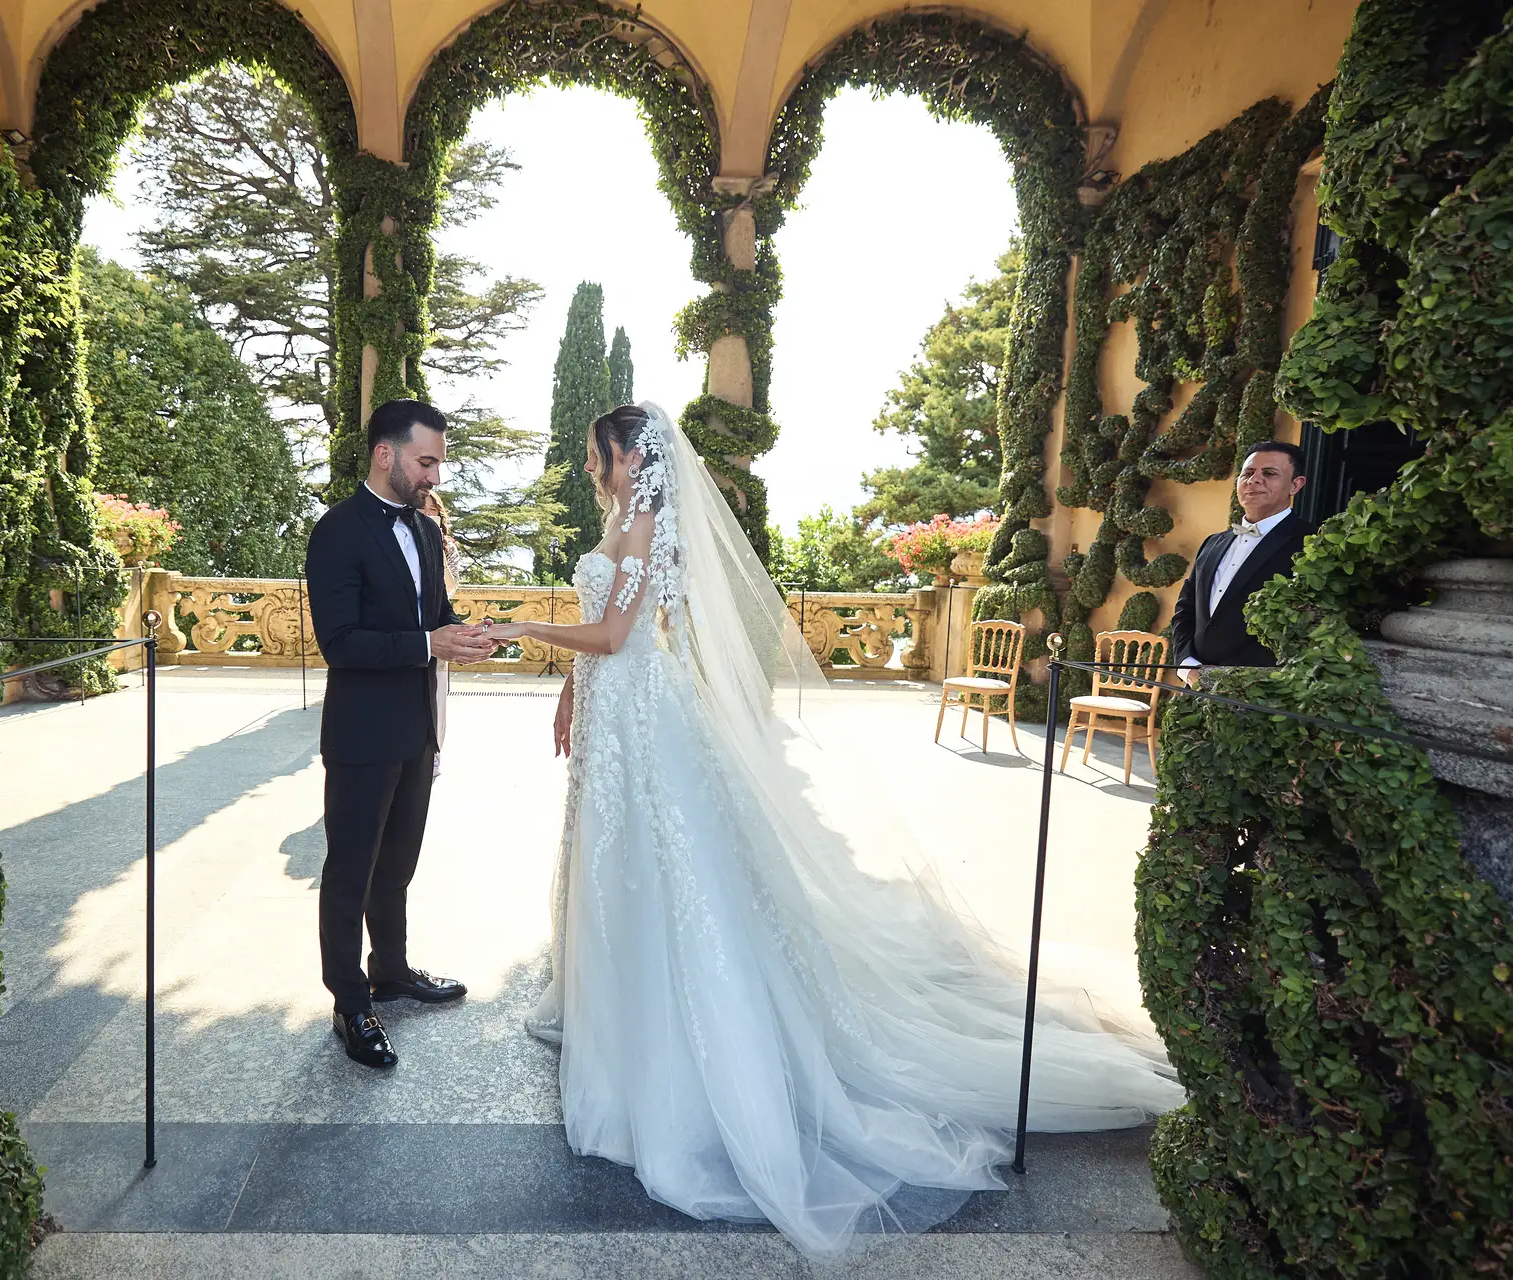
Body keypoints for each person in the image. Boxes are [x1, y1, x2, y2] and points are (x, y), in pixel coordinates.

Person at [482, 403, 1183, 1257]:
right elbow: (617, 638)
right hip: (614, 709)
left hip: (640, 718)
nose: (593, 465)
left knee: (661, 868)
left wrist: (521, 627)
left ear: (629, 456)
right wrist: (571, 690)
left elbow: (616, 632)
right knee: (619, 867)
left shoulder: (645, 524)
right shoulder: (625, 521)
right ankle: (618, 1015)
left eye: (600, 453)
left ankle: (670, 1050)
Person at [304, 399, 496, 1069]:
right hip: (361, 735)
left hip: (418, 730)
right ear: (385, 454)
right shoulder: (336, 531)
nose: (434, 476)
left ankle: (391, 970)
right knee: (349, 872)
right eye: (425, 461)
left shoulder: (423, 531)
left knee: (397, 867)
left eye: (438, 463)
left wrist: (465, 635)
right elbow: (339, 642)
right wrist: (427, 643)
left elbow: (434, 615)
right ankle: (350, 1002)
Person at [1171, 440, 1314, 686]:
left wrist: (1236, 680)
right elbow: (1185, 612)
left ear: (1295, 485)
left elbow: (1306, 628)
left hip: (1261, 693)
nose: (1254, 480)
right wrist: (1187, 667)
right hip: (1194, 689)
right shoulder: (1212, 543)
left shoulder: (1311, 545)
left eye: (1269, 473)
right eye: (1247, 473)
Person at [418, 491, 464, 777]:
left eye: (432, 510)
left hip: (438, 626)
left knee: (437, 691)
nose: (426, 513)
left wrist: (437, 547)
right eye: (422, 508)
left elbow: (451, 587)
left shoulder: (448, 547)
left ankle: (435, 752)